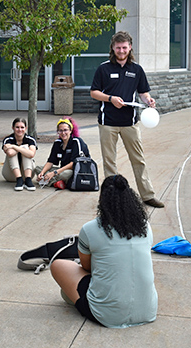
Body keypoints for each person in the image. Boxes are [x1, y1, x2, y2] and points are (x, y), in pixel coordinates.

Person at [51, 174, 158, 328]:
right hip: (148, 311)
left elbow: (87, 268)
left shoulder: (90, 229)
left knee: (58, 266)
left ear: (102, 200)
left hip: (107, 316)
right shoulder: (145, 226)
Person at [89, 31, 164, 208]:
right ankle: (111, 199)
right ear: (113, 48)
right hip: (108, 123)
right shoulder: (104, 68)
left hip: (130, 123)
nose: (121, 51)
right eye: (118, 47)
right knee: (110, 163)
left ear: (130, 47)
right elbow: (94, 92)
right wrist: (110, 99)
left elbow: (143, 92)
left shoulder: (136, 70)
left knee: (138, 159)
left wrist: (148, 100)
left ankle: (147, 195)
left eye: (124, 47)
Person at [36, 117, 89, 188]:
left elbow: (73, 163)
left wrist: (54, 173)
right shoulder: (57, 143)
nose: (63, 133)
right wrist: (42, 173)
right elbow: (51, 161)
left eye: (65, 130)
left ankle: (50, 181)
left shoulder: (76, 142)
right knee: (38, 168)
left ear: (71, 131)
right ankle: (56, 183)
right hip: (61, 169)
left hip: (74, 170)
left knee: (64, 174)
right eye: (60, 131)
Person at [1, 117, 38, 191]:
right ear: (13, 128)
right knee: (23, 149)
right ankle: (19, 179)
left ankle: (28, 180)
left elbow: (31, 154)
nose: (20, 130)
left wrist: (14, 146)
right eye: (17, 127)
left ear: (26, 128)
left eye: (22, 127)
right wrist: (22, 147)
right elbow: (10, 153)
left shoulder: (30, 139)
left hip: (28, 174)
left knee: (26, 151)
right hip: (10, 175)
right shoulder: (8, 139)